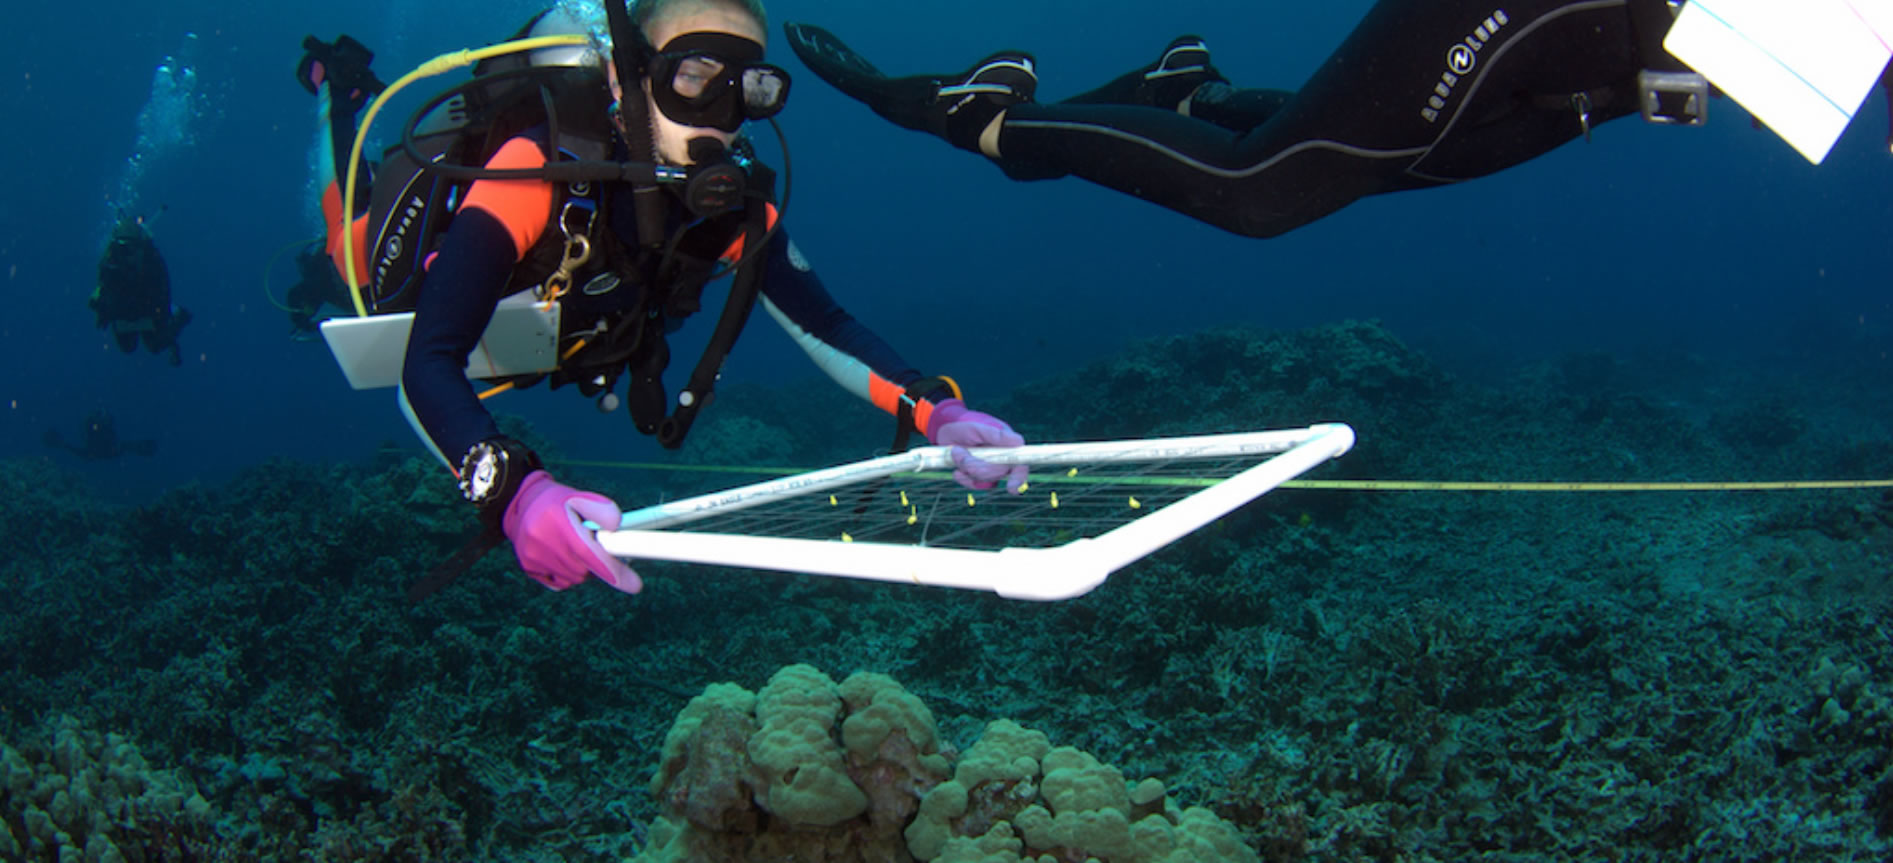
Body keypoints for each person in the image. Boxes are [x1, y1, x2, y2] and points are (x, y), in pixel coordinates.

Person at [300, 0, 1028, 596]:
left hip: (554, 341)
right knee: (343, 243)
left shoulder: (730, 215)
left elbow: (824, 323)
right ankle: (338, 89)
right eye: (693, 74)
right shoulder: (533, 170)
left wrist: (940, 411)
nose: (719, 110)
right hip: (422, 279)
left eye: (748, 87)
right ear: (626, 78)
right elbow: (424, 363)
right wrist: (515, 492)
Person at [784, 0, 1863, 239]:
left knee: (1400, 164)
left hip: (1627, 62)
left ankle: (1183, 95)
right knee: (1265, 192)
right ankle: (982, 116)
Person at [91, 212, 192, 364]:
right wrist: (102, 311)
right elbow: (101, 289)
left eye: (130, 248)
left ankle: (179, 316)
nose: (125, 254)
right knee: (127, 347)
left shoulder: (151, 262)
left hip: (148, 307)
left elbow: (164, 289)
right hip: (125, 310)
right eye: (122, 248)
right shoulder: (109, 261)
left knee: (154, 345)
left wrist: (160, 315)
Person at [43, 411, 158, 461]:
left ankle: (145, 447)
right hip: (97, 452)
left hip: (100, 452)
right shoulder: (92, 425)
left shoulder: (101, 427)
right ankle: (144, 447)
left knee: (124, 447)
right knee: (124, 447)